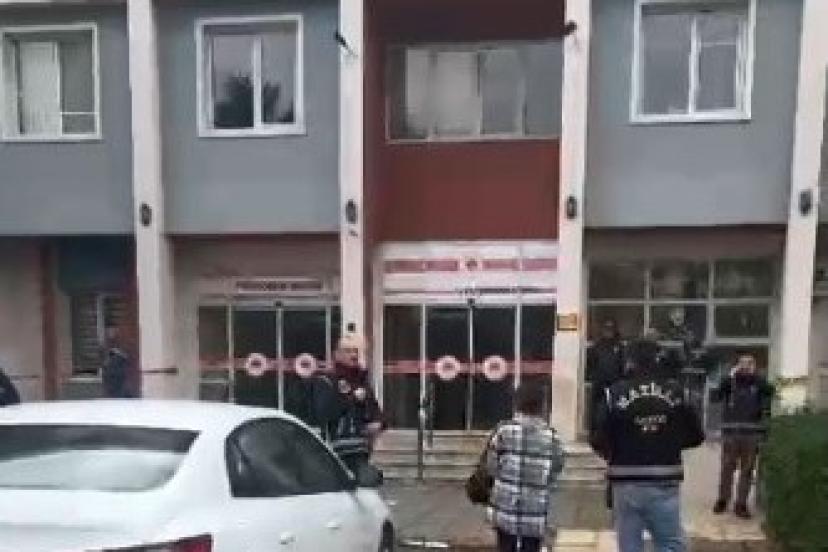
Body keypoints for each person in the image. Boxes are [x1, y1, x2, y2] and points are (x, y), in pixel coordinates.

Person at [590, 339, 705, 552]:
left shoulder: (613, 394)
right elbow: (697, 435)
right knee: (670, 543)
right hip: (665, 477)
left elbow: (597, 438)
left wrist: (615, 453)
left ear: (629, 362)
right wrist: (668, 444)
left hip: (625, 479)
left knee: (629, 545)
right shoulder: (677, 392)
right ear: (658, 359)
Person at [486, 384, 565, 552]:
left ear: (517, 404)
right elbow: (556, 468)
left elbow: (491, 466)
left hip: (505, 506)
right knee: (531, 547)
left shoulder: (503, 431)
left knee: (505, 546)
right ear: (543, 406)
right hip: (535, 510)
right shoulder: (552, 437)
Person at [711, 354, 774, 519]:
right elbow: (716, 396)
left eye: (749, 363)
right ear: (737, 365)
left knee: (747, 469)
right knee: (727, 468)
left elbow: (770, 391)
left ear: (754, 366)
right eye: (742, 363)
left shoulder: (758, 383)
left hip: (751, 433)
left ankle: (741, 504)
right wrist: (729, 377)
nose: (745, 366)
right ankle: (723, 499)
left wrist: (757, 376)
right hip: (731, 432)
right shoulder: (730, 383)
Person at [329, 333, 383, 475]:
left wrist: (377, 423)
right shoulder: (329, 381)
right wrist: (353, 399)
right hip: (337, 450)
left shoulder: (362, 380)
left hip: (361, 448)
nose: (353, 355)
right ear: (337, 354)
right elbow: (329, 412)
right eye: (348, 351)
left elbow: (375, 410)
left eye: (356, 351)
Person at [586, 319, 626, 420]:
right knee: (597, 410)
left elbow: (622, 365)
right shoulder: (596, 347)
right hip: (599, 384)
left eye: (611, 329)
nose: (609, 332)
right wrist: (591, 377)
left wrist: (622, 380)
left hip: (615, 384)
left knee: (615, 409)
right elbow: (589, 364)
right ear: (602, 330)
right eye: (606, 329)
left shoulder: (620, 347)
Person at [101, 327, 137, 399]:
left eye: (113, 331)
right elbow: (104, 362)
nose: (111, 334)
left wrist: (118, 352)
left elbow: (128, 358)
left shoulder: (123, 345)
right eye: (109, 332)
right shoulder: (105, 347)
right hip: (110, 378)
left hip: (120, 378)